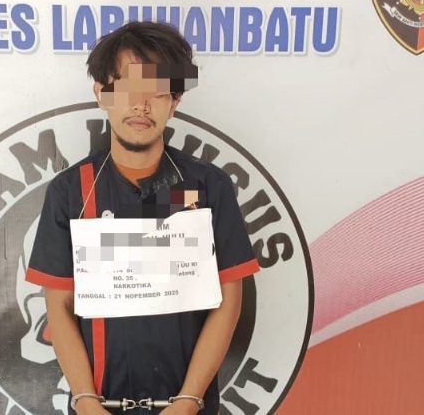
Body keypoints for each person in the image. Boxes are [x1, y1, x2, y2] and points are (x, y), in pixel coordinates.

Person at [25, 21, 259, 414]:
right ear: (102, 93)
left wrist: (189, 400)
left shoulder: (209, 187)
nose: (141, 105)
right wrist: (85, 401)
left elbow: (228, 299)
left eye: (157, 92)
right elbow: (59, 305)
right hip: (98, 406)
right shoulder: (69, 192)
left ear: (175, 101)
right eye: (129, 89)